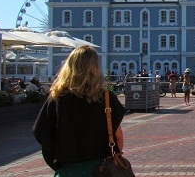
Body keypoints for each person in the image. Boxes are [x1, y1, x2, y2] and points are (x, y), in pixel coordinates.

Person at [32, 46, 126, 175]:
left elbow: (44, 137)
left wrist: (58, 165)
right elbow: (118, 137)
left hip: (67, 169)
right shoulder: (106, 97)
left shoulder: (57, 98)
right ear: (96, 68)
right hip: (100, 170)